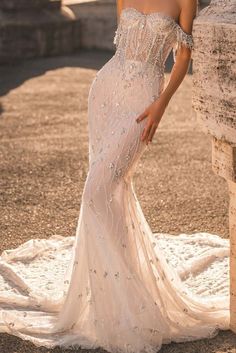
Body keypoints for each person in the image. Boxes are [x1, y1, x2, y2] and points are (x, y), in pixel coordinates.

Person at [0, 1, 230, 353]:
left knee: (99, 189)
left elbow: (183, 56)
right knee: (108, 191)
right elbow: (122, 46)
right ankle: (111, 294)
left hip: (144, 97)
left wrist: (161, 104)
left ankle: (128, 296)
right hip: (106, 88)